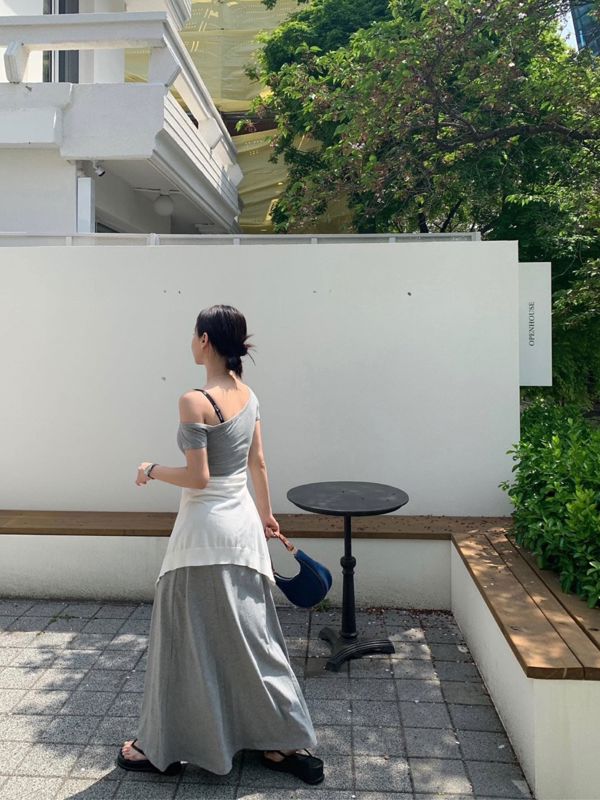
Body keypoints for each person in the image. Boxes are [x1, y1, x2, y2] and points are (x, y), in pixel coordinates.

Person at [115, 304, 324, 785]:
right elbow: (258, 463)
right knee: (254, 638)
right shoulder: (249, 396)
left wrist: (150, 469)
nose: (191, 341)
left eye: (194, 334)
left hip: (202, 536)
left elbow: (198, 477)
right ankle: (283, 741)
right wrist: (266, 515)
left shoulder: (194, 400)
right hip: (244, 529)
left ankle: (160, 747)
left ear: (205, 339)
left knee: (182, 639)